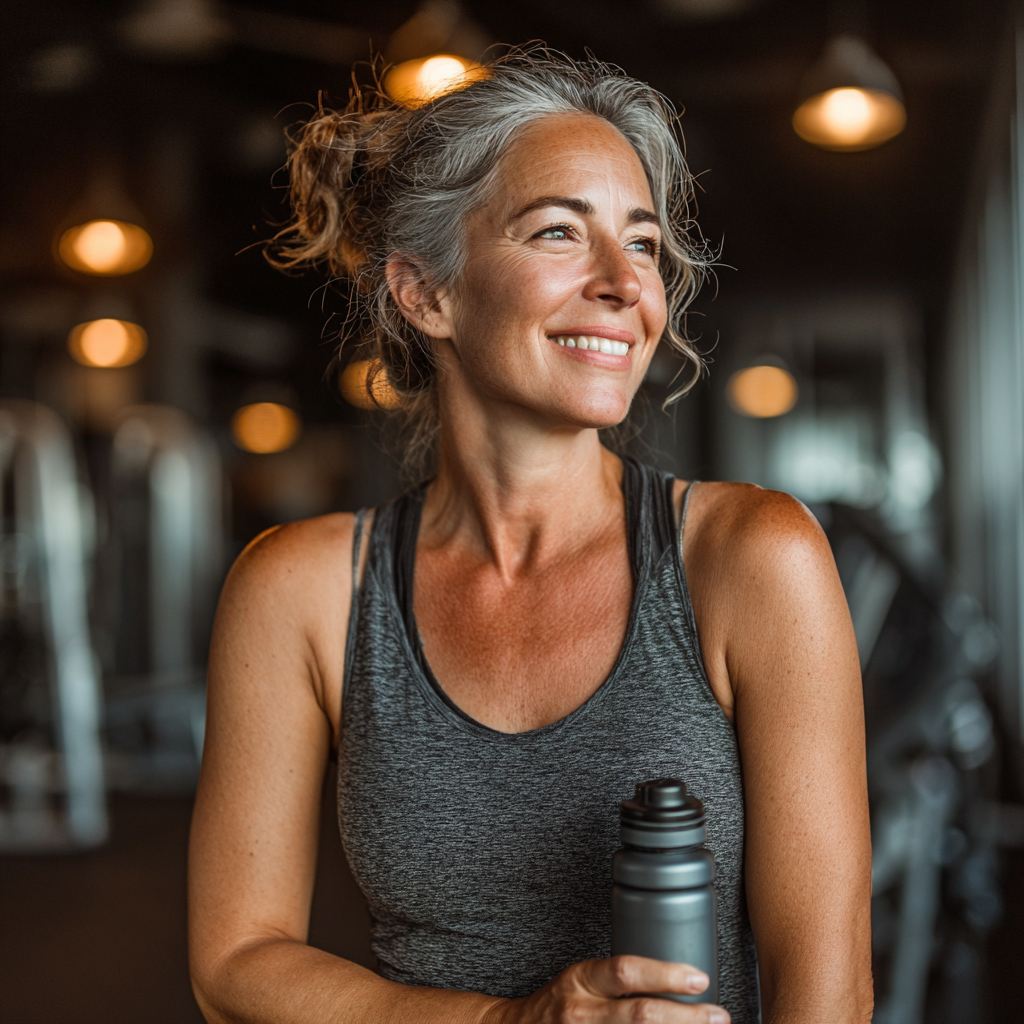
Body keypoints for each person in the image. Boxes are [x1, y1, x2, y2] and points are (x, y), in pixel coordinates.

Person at [188, 50, 872, 1024]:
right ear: (426, 294)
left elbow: (829, 991)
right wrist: (507, 1022)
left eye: (640, 245)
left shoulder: (749, 558)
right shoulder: (301, 590)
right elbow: (234, 965)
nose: (622, 284)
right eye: (559, 231)